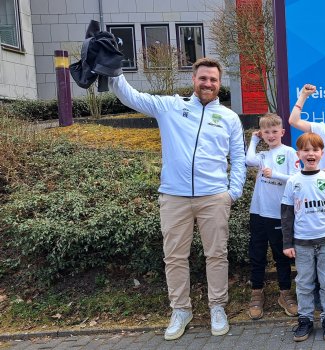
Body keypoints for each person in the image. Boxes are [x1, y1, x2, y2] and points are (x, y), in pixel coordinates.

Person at [108, 57, 246, 341]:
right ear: (194, 80)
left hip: (214, 197)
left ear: (220, 84)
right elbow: (129, 96)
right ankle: (181, 310)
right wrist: (114, 70)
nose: (208, 83)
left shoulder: (230, 118)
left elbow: (239, 158)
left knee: (217, 255)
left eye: (213, 80)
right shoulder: (171, 106)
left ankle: (217, 307)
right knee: (174, 257)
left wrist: (233, 192)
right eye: (203, 78)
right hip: (174, 196)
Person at [282, 133, 325, 342]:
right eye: (306, 150)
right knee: (304, 283)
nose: (311, 153)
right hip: (302, 244)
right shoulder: (293, 182)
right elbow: (287, 214)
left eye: (315, 150)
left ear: (322, 153)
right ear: (298, 154)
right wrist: (287, 243)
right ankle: (306, 319)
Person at [245, 113, 299, 320]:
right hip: (258, 211)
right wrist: (254, 139)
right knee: (257, 254)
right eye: (266, 132)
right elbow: (248, 159)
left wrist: (274, 174)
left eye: (274, 131)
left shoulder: (289, 152)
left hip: (279, 213)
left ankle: (285, 293)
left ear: (282, 132)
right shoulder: (263, 155)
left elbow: (296, 178)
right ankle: (256, 292)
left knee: (281, 255)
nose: (270, 135)